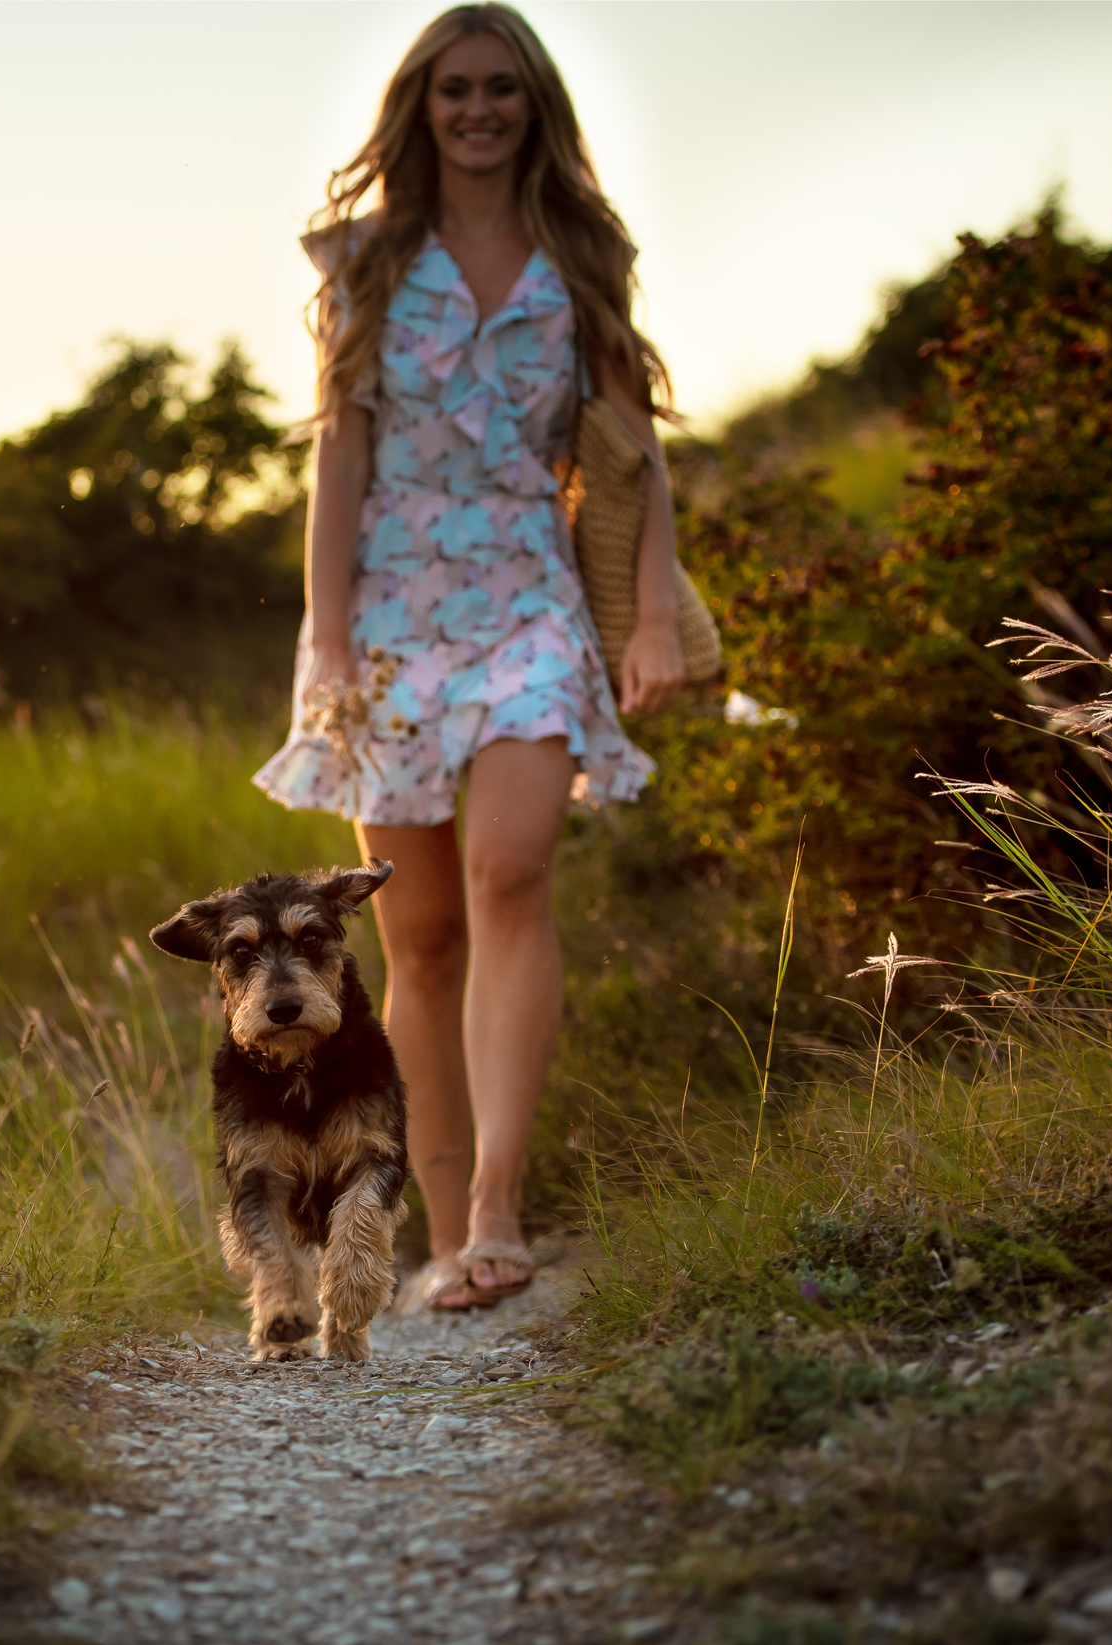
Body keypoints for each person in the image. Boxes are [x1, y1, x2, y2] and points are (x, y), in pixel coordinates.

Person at [254, 2, 687, 1311]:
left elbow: (633, 450)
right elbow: (339, 460)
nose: (480, 110)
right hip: (390, 619)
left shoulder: (581, 249)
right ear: (422, 108)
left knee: (510, 871)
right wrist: (330, 639)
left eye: (503, 88)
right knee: (423, 935)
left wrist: (653, 612)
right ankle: (447, 1239)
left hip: (529, 604)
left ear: (534, 104)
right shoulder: (371, 259)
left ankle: (498, 1207)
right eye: (456, 90)